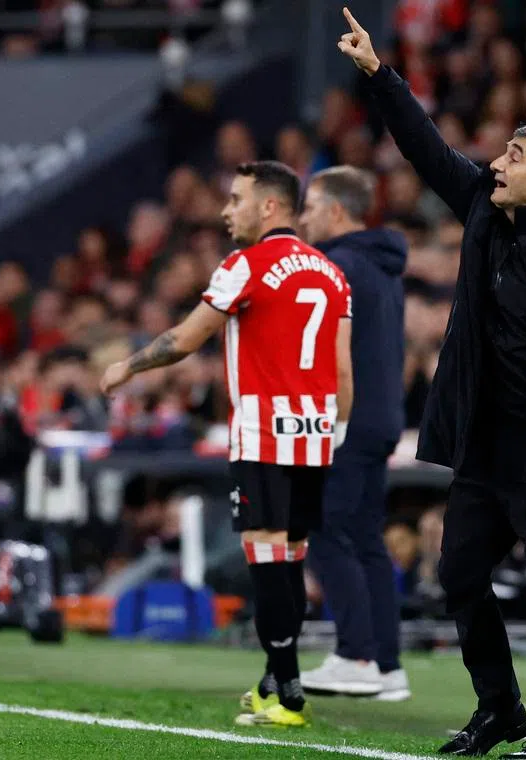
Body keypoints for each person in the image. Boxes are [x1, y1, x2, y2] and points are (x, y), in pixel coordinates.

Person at [338, 10, 526, 760]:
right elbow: (425, 147)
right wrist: (379, 74)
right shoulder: (481, 205)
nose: (496, 163)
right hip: (483, 442)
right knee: (460, 575)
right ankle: (500, 708)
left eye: (514, 156)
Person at [100, 161, 353, 728]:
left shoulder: (245, 265)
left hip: (262, 433)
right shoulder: (331, 273)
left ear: (269, 206)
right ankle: (274, 680)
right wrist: (335, 431)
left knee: (266, 556)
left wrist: (127, 366)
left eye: (236, 199)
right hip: (314, 434)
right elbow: (342, 370)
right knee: (290, 555)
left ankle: (288, 692)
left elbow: (184, 339)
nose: (226, 210)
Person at [297, 165, 411, 701]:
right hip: (381, 417)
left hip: (348, 418)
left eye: (310, 207)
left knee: (325, 529)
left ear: (336, 211)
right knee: (366, 539)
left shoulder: (337, 265)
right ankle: (386, 665)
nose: (303, 219)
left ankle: (356, 655)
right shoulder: (381, 265)